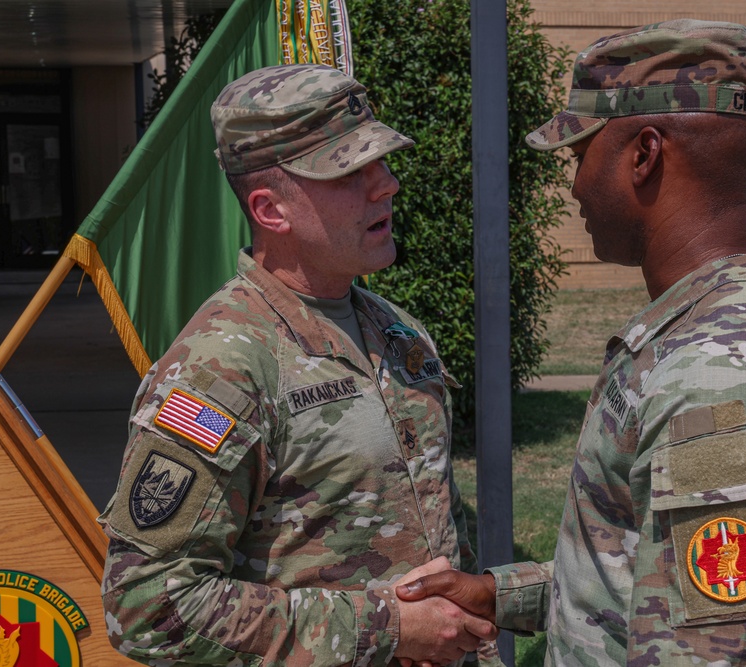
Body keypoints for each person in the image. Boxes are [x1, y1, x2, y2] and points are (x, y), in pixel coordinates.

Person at [397, 19, 746, 665]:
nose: (573, 188)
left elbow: (716, 649)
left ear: (644, 154)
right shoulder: (702, 336)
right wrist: (498, 593)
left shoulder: (720, 382)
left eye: (578, 155)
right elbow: (651, 574)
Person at [97, 63, 501, 667]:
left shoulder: (396, 329)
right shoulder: (222, 366)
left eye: (382, 161)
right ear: (270, 209)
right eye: (349, 172)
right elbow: (147, 605)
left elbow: (433, 521)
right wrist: (387, 629)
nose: (385, 185)